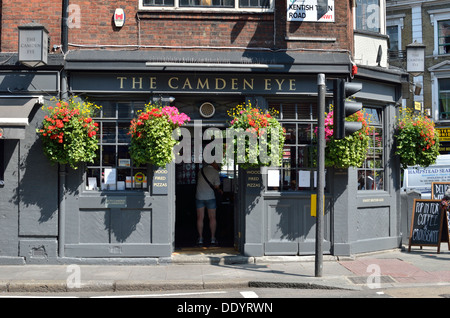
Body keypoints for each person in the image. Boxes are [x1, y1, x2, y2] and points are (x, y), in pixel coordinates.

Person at [196, 161, 222, 247]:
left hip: (199, 196)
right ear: (214, 164)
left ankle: (200, 239)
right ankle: (213, 239)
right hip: (210, 197)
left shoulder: (201, 170)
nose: (218, 166)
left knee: (200, 218)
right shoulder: (215, 172)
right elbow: (217, 186)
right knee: (212, 218)